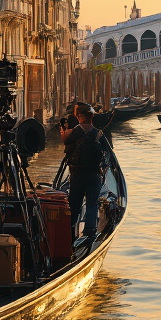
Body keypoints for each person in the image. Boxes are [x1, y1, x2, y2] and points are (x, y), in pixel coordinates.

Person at [63, 103, 105, 242]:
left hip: (77, 175)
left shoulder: (75, 132)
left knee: (74, 204)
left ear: (80, 117)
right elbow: (105, 152)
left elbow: (66, 146)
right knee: (92, 204)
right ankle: (90, 233)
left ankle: (69, 232)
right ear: (92, 117)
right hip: (93, 175)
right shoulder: (98, 133)